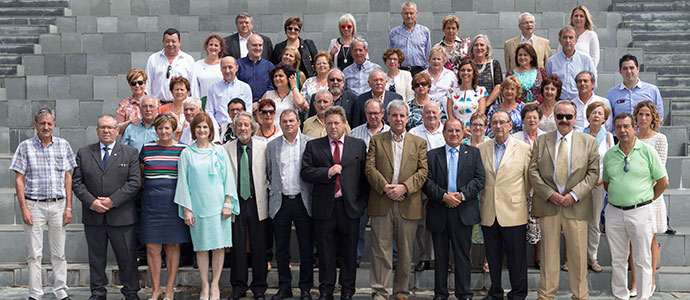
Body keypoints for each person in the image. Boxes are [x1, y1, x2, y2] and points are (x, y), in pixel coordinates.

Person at [528, 100, 599, 300]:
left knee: (577, 256)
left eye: (568, 116)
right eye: (560, 116)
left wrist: (573, 195)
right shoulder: (542, 141)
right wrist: (550, 194)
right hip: (549, 204)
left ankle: (580, 295)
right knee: (548, 255)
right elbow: (533, 171)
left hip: (576, 206)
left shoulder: (588, 142)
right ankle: (546, 295)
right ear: (555, 118)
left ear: (575, 118)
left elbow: (593, 173)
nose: (564, 120)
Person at [301, 106, 368, 300]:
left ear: (345, 124)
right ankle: (326, 289)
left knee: (349, 252)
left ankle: (347, 290)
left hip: (350, 208)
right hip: (325, 208)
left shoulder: (358, 145)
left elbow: (364, 178)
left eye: (336, 123)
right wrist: (327, 172)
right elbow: (305, 172)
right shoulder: (314, 146)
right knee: (325, 252)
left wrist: (361, 203)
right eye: (329, 123)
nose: (333, 127)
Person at [72, 114, 142, 300]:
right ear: (97, 130)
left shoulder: (130, 152)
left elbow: (135, 183)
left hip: (122, 216)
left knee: (127, 258)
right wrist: (92, 202)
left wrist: (112, 201)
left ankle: (130, 291)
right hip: (94, 216)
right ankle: (97, 292)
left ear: (117, 131)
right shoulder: (84, 153)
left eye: (110, 127)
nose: (106, 130)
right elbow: (77, 183)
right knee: (96, 259)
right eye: (102, 127)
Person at [10, 108, 76, 300]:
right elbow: (19, 179)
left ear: (54, 125)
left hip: (58, 205)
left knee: (59, 253)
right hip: (34, 206)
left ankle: (61, 292)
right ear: (35, 125)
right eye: (42, 123)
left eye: (49, 123)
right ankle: (35, 294)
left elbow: (68, 177)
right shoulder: (25, 146)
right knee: (34, 255)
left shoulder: (63, 145)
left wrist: (69, 207)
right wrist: (23, 208)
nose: (46, 127)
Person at [366, 100, 428, 300]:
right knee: (380, 251)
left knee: (406, 252)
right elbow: (370, 168)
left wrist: (404, 187)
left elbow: (423, 171)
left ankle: (401, 292)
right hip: (382, 201)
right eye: (394, 115)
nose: (398, 119)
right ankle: (380, 292)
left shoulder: (419, 143)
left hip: (408, 202)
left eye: (402, 115)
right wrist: (385, 187)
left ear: (408, 118)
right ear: (387, 117)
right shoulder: (377, 140)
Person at [603, 112, 668, 300]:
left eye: (626, 126)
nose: (622, 131)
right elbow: (607, 184)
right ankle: (620, 296)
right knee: (618, 258)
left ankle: (643, 297)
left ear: (634, 128)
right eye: (618, 127)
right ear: (614, 130)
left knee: (643, 259)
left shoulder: (647, 151)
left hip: (641, 212)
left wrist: (646, 200)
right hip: (615, 212)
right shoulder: (610, 154)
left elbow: (663, 181)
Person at [174, 113, 239, 300]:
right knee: (201, 248)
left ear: (211, 130)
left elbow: (229, 178)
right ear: (193, 130)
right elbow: (183, 183)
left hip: (219, 207)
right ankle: (204, 285)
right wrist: (187, 209)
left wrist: (228, 202)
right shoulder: (186, 153)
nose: (202, 130)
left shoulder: (219, 151)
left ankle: (215, 285)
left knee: (219, 247)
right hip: (198, 207)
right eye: (198, 127)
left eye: (205, 127)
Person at [423, 118, 485, 300]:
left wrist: (461, 195)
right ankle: (440, 294)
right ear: (443, 133)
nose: (454, 134)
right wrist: (444, 196)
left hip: (463, 211)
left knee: (462, 256)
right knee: (440, 258)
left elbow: (479, 179)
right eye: (450, 131)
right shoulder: (432, 155)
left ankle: (463, 293)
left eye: (457, 130)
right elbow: (426, 182)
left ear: (463, 133)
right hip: (439, 210)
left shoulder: (473, 153)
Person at [478, 110, 531, 300]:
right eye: (494, 123)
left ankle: (518, 293)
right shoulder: (482, 148)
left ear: (510, 125)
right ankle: (495, 292)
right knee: (492, 257)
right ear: (490, 126)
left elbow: (528, 181)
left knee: (517, 258)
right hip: (489, 210)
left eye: (502, 122)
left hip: (514, 210)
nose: (498, 126)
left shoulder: (523, 149)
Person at [138, 114, 190, 300]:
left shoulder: (183, 150)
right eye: (160, 128)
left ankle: (169, 289)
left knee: (172, 245)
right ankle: (155, 289)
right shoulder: (147, 148)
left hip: (173, 203)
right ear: (156, 130)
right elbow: (142, 174)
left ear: (174, 129)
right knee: (152, 247)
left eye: (167, 128)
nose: (163, 131)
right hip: (152, 203)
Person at [266, 109, 315, 300]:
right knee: (282, 249)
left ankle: (305, 288)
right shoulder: (272, 146)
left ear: (299, 122)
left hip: (303, 201)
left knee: (306, 247)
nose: (288, 124)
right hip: (281, 202)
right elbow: (270, 173)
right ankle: (284, 287)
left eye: (292, 120)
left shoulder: (309, 143)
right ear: (280, 123)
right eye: (284, 121)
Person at [224, 112, 270, 300]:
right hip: (235, 203)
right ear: (234, 128)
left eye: (246, 125)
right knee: (237, 247)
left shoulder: (264, 147)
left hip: (257, 201)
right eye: (239, 125)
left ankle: (259, 288)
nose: (243, 128)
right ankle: (239, 286)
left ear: (252, 127)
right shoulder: (226, 149)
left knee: (259, 246)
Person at [629, 101, 668, 296]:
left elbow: (658, 170)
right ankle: (635, 283)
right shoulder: (631, 138)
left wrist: (643, 189)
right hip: (631, 197)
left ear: (653, 117)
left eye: (647, 114)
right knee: (632, 241)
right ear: (635, 117)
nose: (643, 118)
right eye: (640, 114)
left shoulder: (660, 139)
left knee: (651, 239)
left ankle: (650, 281)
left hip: (651, 196)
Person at [350, 99, 390, 265]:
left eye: (376, 113)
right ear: (365, 114)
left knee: (387, 227)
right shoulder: (354, 133)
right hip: (362, 187)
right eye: (370, 113)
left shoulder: (390, 132)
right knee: (359, 225)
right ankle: (356, 257)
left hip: (385, 187)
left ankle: (391, 258)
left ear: (382, 114)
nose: (373, 116)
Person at [408, 100, 444, 271]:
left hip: (443, 184)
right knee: (422, 223)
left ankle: (444, 259)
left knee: (444, 223)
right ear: (421, 115)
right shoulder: (414, 133)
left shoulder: (447, 131)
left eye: (434, 112)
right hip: (420, 183)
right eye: (427, 112)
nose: (430, 115)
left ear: (440, 114)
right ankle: (425, 257)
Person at [512, 104, 546, 268]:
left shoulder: (547, 137)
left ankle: (538, 256)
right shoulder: (515, 137)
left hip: (540, 188)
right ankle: (518, 258)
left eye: (534, 117)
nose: (531, 120)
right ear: (523, 120)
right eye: (528, 117)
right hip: (520, 187)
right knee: (519, 224)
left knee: (538, 224)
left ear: (540, 119)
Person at [581, 101, 614, 274]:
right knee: (578, 222)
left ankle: (592, 256)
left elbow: (611, 161)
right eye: (593, 112)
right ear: (587, 115)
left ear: (604, 118)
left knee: (594, 221)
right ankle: (575, 258)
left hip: (599, 185)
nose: (596, 115)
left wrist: (602, 179)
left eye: (600, 113)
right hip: (580, 185)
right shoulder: (579, 134)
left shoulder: (608, 137)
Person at [606, 54, 664, 126]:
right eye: (625, 68)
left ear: (638, 69)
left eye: (631, 68)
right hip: (620, 135)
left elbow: (659, 116)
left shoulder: (652, 90)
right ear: (620, 71)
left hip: (644, 135)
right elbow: (608, 119)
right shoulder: (611, 94)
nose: (629, 71)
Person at [546, 26, 597, 101]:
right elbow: (548, 84)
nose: (567, 40)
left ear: (576, 40)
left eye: (571, 37)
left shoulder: (586, 59)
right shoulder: (551, 62)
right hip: (559, 101)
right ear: (559, 40)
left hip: (580, 100)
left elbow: (593, 82)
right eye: (564, 37)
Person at [145, 28, 195, 104]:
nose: (170, 44)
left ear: (179, 42)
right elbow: (147, 83)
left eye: (173, 41)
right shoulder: (153, 59)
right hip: (158, 105)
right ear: (163, 42)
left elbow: (193, 85)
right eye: (167, 41)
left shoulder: (188, 60)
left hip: (181, 105)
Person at [205, 56, 252, 125]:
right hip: (219, 128)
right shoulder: (213, 88)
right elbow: (209, 111)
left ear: (236, 68)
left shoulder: (245, 87)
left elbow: (248, 111)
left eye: (230, 67)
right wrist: (216, 128)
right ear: (220, 69)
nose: (227, 71)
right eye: (224, 68)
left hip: (239, 128)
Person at [389, 1, 431, 76]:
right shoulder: (394, 32)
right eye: (406, 13)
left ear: (416, 14)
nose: (409, 16)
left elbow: (428, 53)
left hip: (420, 71)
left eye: (411, 13)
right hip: (400, 71)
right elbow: (390, 55)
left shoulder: (425, 31)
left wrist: (427, 73)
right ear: (401, 14)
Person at [447, 60, 487, 134]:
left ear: (473, 74)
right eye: (462, 70)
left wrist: (469, 130)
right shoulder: (451, 92)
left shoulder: (481, 91)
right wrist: (461, 130)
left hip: (474, 131)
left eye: (469, 70)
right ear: (459, 73)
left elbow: (480, 115)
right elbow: (451, 117)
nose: (465, 73)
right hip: (456, 132)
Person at [237, 34, 275, 102]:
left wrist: (259, 102)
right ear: (247, 46)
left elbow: (272, 88)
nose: (258, 48)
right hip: (243, 105)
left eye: (260, 45)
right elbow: (235, 86)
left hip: (263, 106)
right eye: (254, 45)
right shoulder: (238, 64)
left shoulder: (269, 66)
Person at [470, 34, 502, 107]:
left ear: (487, 49)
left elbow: (498, 86)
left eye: (482, 45)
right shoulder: (468, 65)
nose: (479, 48)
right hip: (471, 106)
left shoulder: (494, 64)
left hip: (491, 106)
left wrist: (485, 104)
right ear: (472, 49)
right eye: (476, 45)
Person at [191, 34, 225, 99]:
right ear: (206, 47)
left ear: (220, 48)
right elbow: (195, 87)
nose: (213, 47)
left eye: (216, 45)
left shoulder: (225, 64)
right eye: (211, 44)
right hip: (203, 104)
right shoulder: (197, 65)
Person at [116, 69, 147, 133]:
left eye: (140, 82)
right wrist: (129, 122)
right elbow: (116, 128)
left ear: (145, 83)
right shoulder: (124, 104)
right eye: (133, 83)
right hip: (129, 141)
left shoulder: (155, 102)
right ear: (130, 85)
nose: (137, 85)